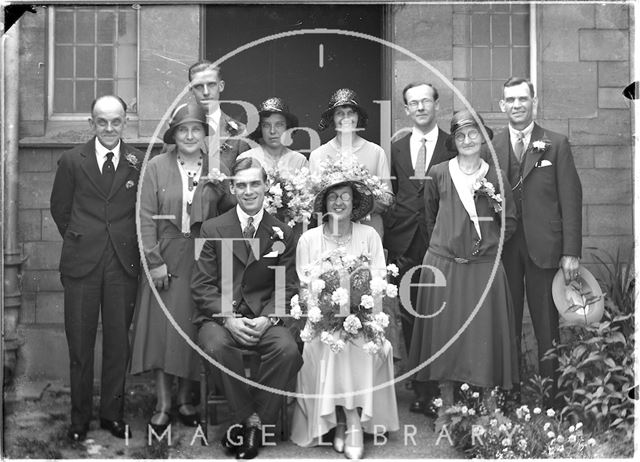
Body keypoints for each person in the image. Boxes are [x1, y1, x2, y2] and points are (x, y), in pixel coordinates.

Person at [130, 103, 236, 435]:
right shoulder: (157, 167)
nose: (190, 135)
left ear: (205, 134)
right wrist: (154, 261)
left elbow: (231, 217)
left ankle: (188, 400)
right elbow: (144, 217)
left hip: (203, 258)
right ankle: (163, 404)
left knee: (192, 328)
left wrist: (226, 193)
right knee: (163, 331)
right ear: (174, 135)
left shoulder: (216, 168)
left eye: (196, 129)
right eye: (183, 130)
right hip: (166, 255)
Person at [191, 158, 303, 459]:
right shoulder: (212, 229)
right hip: (220, 318)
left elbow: (287, 287)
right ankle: (252, 422)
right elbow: (202, 286)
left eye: (255, 184)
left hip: (265, 319)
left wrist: (268, 318)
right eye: (241, 185)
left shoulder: (282, 232)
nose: (249, 190)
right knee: (214, 345)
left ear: (266, 187)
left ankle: (248, 424)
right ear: (233, 188)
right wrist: (228, 318)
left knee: (288, 350)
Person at [409, 110, 519, 407]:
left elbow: (509, 221)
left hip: (482, 270)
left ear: (483, 138)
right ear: (453, 141)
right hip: (444, 266)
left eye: (473, 134)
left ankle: (488, 405)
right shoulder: (439, 173)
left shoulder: (495, 175)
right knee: (445, 335)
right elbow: (429, 217)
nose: (467, 140)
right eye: (460, 135)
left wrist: (482, 249)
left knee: (483, 336)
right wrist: (448, 246)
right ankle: (447, 404)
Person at [50, 95, 143, 442]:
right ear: (91, 123)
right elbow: (60, 208)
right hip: (82, 264)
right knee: (80, 344)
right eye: (101, 121)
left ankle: (111, 416)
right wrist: (82, 239)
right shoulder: (73, 160)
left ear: (124, 122)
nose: (108, 128)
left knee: (118, 344)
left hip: (121, 263)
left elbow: (140, 212)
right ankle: (79, 419)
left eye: (115, 121)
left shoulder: (137, 160)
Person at [291, 179, 399, 459]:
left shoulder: (369, 236)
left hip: (363, 316)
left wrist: (359, 313)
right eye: (333, 198)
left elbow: (377, 282)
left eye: (345, 197)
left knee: (361, 342)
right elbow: (306, 288)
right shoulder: (309, 239)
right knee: (331, 341)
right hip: (322, 320)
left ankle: (345, 420)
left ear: (354, 204)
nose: (339, 202)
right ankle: (350, 421)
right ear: (325, 204)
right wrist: (329, 313)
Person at [493, 77, 582, 405]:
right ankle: (510, 396)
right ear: (502, 105)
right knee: (507, 323)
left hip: (545, 250)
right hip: (505, 250)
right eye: (510, 100)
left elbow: (571, 199)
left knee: (547, 326)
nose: (516, 105)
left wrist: (571, 251)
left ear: (534, 102)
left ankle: (553, 402)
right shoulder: (493, 144)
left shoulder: (556, 143)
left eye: (522, 99)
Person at [382, 82, 454, 416]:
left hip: (440, 240)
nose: (420, 107)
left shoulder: (452, 145)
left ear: (436, 105)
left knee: (438, 313)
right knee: (410, 315)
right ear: (406, 109)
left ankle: (438, 387)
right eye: (414, 103)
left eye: (426, 101)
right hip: (404, 241)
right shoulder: (395, 149)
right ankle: (421, 388)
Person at [309, 88, 392, 239]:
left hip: (368, 232)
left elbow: (388, 199)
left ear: (358, 117)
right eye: (340, 113)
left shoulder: (376, 152)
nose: (346, 118)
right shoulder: (318, 155)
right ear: (332, 118)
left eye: (351, 113)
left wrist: (362, 200)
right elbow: (312, 203)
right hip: (330, 234)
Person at [185, 60, 250, 171]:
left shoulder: (240, 132)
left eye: (211, 85)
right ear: (191, 89)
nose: (206, 92)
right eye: (199, 86)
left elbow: (245, 178)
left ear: (221, 86)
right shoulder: (178, 131)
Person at [238, 97, 308, 174]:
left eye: (279, 125)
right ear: (260, 128)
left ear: (287, 127)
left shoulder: (299, 161)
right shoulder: (246, 158)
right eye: (266, 125)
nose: (272, 131)